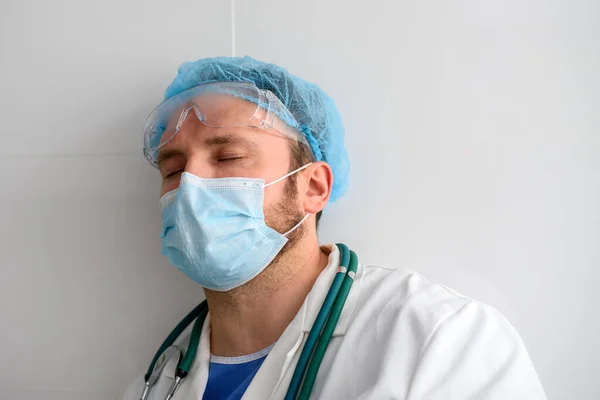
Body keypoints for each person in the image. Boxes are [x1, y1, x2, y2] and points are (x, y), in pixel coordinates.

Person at [123, 56, 546, 400]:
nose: (192, 185)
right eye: (173, 169)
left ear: (313, 187)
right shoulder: (160, 376)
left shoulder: (439, 340)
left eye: (229, 157)